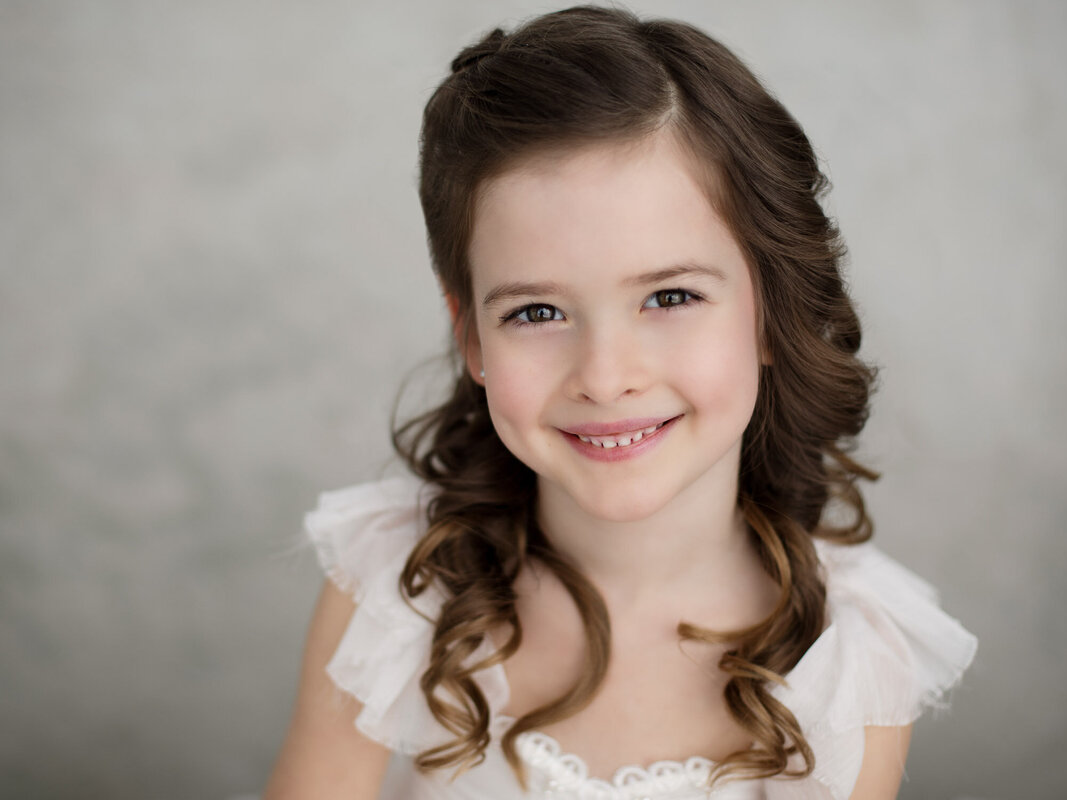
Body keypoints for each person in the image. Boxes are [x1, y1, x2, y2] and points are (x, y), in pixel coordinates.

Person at [264, 6, 977, 799]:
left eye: (669, 296)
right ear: (470, 336)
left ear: (773, 310)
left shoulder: (848, 657)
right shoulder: (396, 586)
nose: (606, 377)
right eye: (535, 313)